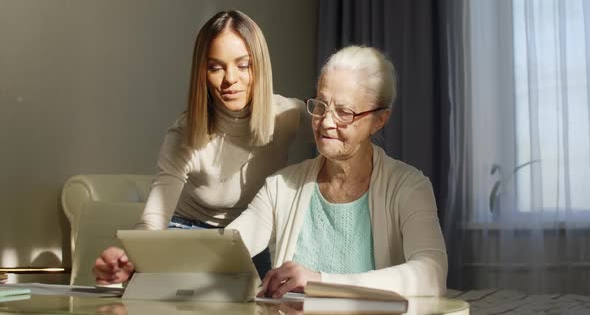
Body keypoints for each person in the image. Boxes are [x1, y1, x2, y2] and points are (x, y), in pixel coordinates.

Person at [94, 46, 447, 298]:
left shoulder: (409, 186)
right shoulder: (281, 186)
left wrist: (321, 281)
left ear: (379, 118)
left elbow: (431, 274)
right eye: (320, 105)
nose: (325, 122)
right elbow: (222, 252)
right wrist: (137, 267)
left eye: (344, 112)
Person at [93, 10, 310, 284]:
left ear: (260, 66)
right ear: (202, 73)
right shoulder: (185, 133)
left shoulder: (288, 114)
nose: (230, 79)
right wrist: (129, 258)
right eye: (215, 67)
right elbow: (154, 217)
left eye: (243, 65)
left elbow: (337, 129)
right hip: (188, 237)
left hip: (251, 240)